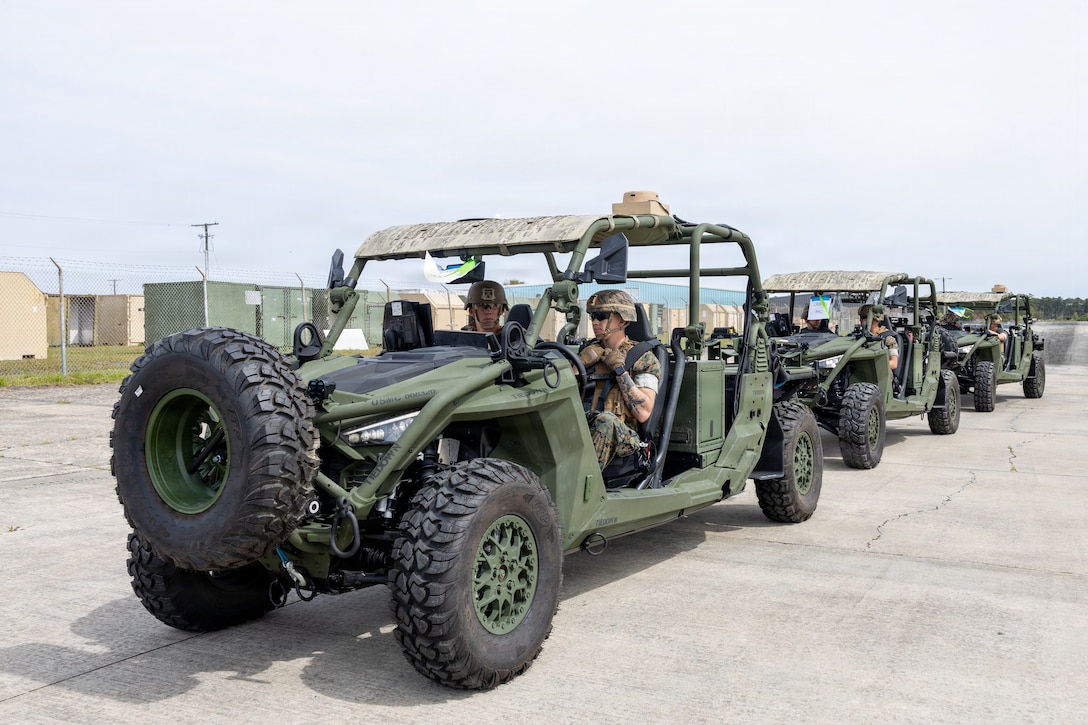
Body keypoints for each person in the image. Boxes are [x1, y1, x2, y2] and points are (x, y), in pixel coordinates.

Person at [578, 290, 661, 469]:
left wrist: (620, 370)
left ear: (622, 320)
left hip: (626, 439)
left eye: (601, 316)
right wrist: (578, 366)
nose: (594, 322)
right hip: (586, 426)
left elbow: (643, 412)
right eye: (592, 316)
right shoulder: (587, 352)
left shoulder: (643, 358)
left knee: (605, 422)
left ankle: (582, 483)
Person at [859, 304, 898, 371]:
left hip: (880, 376)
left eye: (863, 317)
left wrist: (871, 367)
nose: (861, 320)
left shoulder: (888, 338)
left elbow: (893, 363)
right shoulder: (861, 336)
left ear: (874, 319)